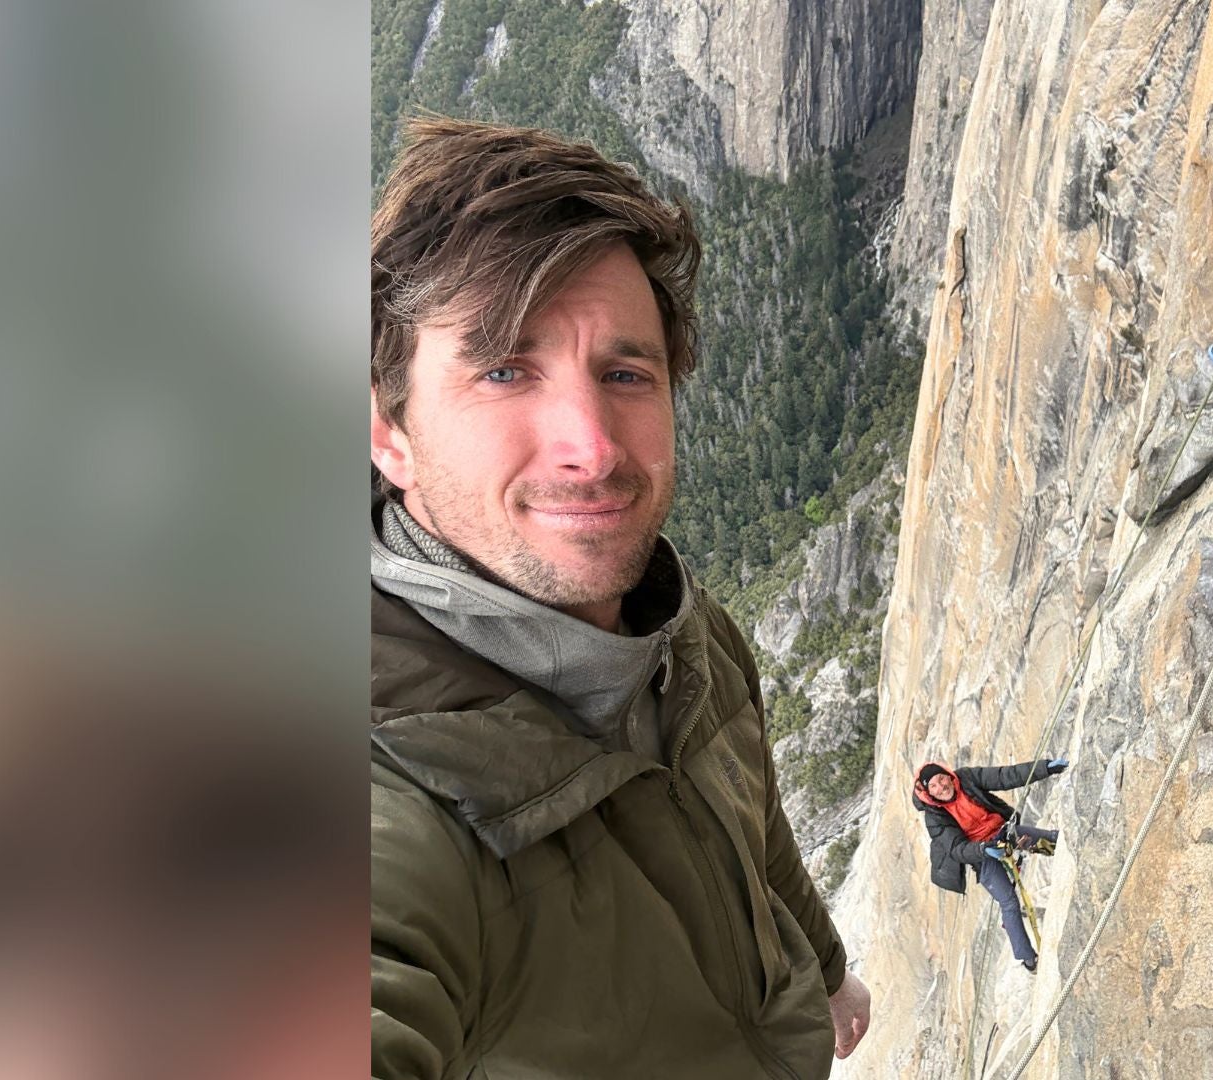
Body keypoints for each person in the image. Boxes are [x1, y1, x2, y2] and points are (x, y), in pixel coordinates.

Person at [369, 118, 870, 1079]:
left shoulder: (683, 629)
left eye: (624, 373)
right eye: (505, 370)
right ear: (390, 434)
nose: (593, 448)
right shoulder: (390, 800)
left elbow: (754, 825)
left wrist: (830, 968)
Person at [911, 759, 1069, 972]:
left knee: (1054, 840)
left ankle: (1066, 846)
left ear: (949, 776)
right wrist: (983, 850)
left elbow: (1004, 775)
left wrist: (1045, 768)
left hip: (1002, 832)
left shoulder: (966, 778)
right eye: (933, 786)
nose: (941, 787)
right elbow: (956, 848)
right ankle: (1028, 958)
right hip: (980, 853)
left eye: (941, 779)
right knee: (1009, 902)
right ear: (929, 794)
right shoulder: (935, 817)